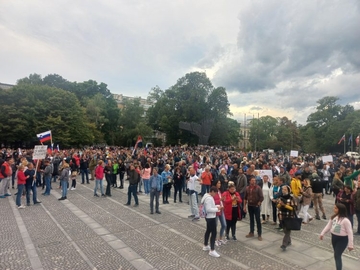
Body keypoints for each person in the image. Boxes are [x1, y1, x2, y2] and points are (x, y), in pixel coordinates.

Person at [320, 203, 354, 270]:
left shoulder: (346, 221)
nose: (334, 209)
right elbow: (328, 226)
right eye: (334, 207)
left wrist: (351, 244)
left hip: (342, 239)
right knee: (336, 255)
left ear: (340, 210)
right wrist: (322, 233)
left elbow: (350, 232)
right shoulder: (333, 217)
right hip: (334, 238)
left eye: (336, 208)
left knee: (337, 255)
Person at [201, 186, 222, 258]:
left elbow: (210, 206)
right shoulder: (209, 198)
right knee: (214, 233)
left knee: (208, 231)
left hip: (209, 217)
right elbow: (209, 209)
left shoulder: (206, 196)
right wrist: (217, 209)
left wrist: (216, 206)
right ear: (212, 191)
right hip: (211, 217)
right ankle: (212, 250)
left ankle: (205, 245)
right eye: (215, 193)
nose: (215, 194)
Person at [277, 185, 297, 251]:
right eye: (282, 189)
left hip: (289, 216)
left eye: (285, 189)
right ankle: (289, 241)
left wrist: (285, 205)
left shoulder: (291, 198)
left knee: (288, 231)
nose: (283, 190)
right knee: (285, 230)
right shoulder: (280, 197)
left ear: (288, 190)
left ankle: (284, 245)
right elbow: (277, 206)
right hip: (282, 216)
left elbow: (293, 208)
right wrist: (280, 204)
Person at [244, 176, 264, 241]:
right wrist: (244, 206)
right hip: (250, 205)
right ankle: (251, 232)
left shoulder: (258, 188)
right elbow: (245, 198)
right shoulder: (247, 188)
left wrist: (259, 203)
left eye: (254, 180)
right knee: (251, 219)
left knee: (258, 220)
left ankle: (259, 234)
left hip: (256, 206)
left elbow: (261, 197)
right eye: (252, 180)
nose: (253, 181)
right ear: (250, 181)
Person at [213, 180, 227, 245]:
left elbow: (220, 200)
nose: (220, 184)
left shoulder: (219, 191)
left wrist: (223, 202)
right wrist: (220, 200)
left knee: (224, 225)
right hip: (216, 210)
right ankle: (215, 239)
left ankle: (220, 238)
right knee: (215, 225)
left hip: (221, 209)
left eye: (220, 183)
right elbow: (213, 201)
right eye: (218, 183)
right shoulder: (213, 191)